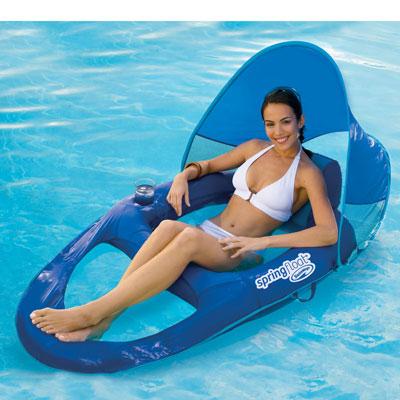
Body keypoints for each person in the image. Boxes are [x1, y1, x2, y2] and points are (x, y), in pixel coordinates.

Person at [30, 87, 338, 342]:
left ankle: (91, 312)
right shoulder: (255, 148)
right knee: (166, 226)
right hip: (209, 233)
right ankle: (105, 320)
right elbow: (208, 165)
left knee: (187, 237)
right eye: (270, 124)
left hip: (238, 249)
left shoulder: (307, 174)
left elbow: (328, 231)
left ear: (300, 121)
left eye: (285, 122)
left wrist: (263, 243)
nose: (278, 132)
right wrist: (183, 176)